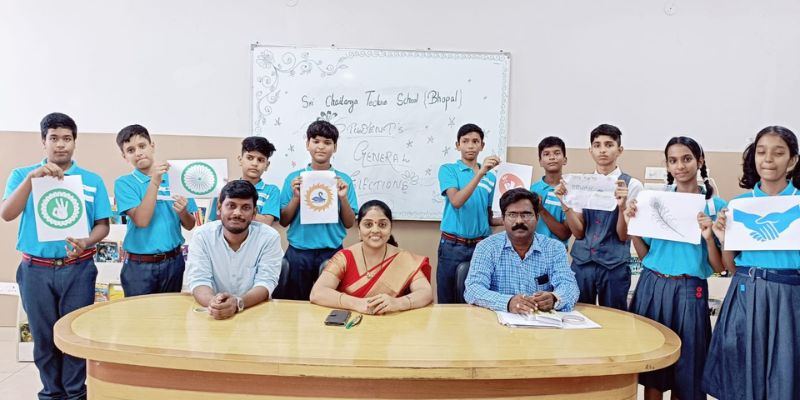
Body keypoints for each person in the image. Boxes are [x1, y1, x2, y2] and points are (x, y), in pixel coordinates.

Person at [1, 112, 112, 400]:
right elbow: (7, 213)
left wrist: (86, 241)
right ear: (43, 141)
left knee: (74, 335)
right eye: (54, 138)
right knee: (43, 338)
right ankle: (51, 393)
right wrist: (32, 179)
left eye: (67, 138)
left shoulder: (92, 180)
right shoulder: (22, 175)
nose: (60, 144)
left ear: (75, 142)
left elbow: (103, 225)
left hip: (78, 268)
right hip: (35, 270)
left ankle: (75, 393)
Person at [624, 136, 726, 400]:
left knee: (688, 365)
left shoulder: (715, 206)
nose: (680, 166)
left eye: (686, 159)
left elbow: (719, 266)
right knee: (653, 364)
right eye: (673, 160)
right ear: (667, 165)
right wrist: (633, 227)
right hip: (652, 285)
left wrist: (708, 237)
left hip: (689, 289)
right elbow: (645, 255)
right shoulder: (653, 201)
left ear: (700, 161)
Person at [703, 126, 800, 400]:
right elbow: (731, 268)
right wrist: (724, 238)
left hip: (790, 297)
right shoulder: (739, 205)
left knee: (785, 374)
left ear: (792, 160)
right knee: (743, 370)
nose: (768, 159)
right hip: (747, 294)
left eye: (778, 153)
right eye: (761, 152)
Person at [554, 124, 643, 311]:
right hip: (582, 262)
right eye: (597, 145)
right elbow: (578, 233)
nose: (603, 150)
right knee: (577, 314)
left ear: (620, 150)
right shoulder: (581, 184)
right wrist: (565, 204)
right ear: (590, 150)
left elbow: (623, 236)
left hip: (614, 265)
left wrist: (622, 207)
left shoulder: (633, 185)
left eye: (609, 145)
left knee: (615, 318)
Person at [278, 120, 358, 300]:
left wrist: (343, 198)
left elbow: (349, 223)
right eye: (316, 141)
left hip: (332, 251)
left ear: (335, 147)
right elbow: (284, 221)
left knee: (330, 301)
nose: (321, 147)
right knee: (295, 302)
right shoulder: (294, 179)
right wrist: (296, 197)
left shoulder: (343, 180)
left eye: (327, 142)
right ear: (307, 144)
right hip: (298, 251)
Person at [464, 188, 579, 313]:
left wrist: (554, 298)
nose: (519, 221)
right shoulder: (487, 247)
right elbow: (473, 289)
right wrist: (508, 302)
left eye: (526, 214)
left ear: (537, 217)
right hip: (497, 320)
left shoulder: (554, 248)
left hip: (540, 321)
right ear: (503, 218)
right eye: (512, 215)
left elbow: (569, 286)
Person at [113, 124, 197, 296]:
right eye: (130, 150)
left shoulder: (177, 178)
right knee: (139, 312)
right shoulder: (124, 183)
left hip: (174, 262)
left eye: (142, 146)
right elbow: (141, 221)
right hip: (139, 266)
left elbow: (190, 225)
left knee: (170, 311)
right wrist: (155, 182)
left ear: (152, 146)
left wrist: (183, 212)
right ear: (124, 156)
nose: (138, 153)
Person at [310, 200, 433, 314]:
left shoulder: (403, 259)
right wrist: (357, 304)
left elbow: (425, 292)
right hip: (350, 323)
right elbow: (317, 293)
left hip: (391, 322)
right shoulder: (344, 257)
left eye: (382, 224)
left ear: (390, 229)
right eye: (368, 224)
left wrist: (397, 303)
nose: (375, 230)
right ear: (359, 230)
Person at [186, 180, 283, 320]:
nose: (237, 213)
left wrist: (237, 303)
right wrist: (214, 304)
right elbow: (199, 279)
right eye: (231, 206)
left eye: (245, 208)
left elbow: (265, 282)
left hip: (254, 312)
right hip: (212, 314)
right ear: (219, 208)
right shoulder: (202, 236)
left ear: (254, 212)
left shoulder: (269, 237)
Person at [437, 123, 501, 304]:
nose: (470, 146)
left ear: (482, 146)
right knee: (448, 300)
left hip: (481, 246)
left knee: (478, 298)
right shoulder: (448, 170)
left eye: (475, 141)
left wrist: (511, 219)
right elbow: (456, 201)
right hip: (453, 245)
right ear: (457, 145)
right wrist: (480, 173)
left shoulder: (492, 178)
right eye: (465, 141)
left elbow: (489, 218)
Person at [208, 136, 280, 225]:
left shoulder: (272, 191)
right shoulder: (226, 188)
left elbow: (267, 222)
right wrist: (222, 201)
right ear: (240, 160)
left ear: (267, 165)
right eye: (250, 158)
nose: (254, 163)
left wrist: (233, 209)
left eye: (260, 160)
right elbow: (216, 221)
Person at [529, 136, 571, 246]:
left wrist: (541, 209)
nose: (552, 157)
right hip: (531, 249)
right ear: (540, 162)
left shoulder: (570, 191)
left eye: (557, 153)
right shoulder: (531, 190)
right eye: (546, 154)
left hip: (557, 250)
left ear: (565, 160)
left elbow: (565, 234)